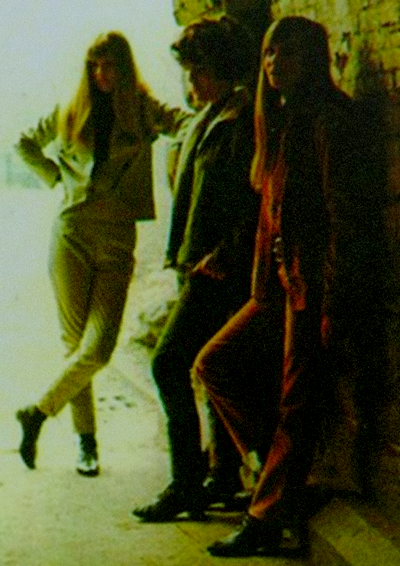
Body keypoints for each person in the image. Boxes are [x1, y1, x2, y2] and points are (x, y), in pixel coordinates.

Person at [192, 16, 390, 557]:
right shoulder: (280, 119)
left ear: (316, 60)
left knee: (298, 402)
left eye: (291, 53)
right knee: (215, 363)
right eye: (270, 53)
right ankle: (277, 481)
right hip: (280, 285)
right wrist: (255, 271)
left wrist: (331, 300)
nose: (276, 63)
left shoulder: (331, 120)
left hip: (316, 287)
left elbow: (347, 222)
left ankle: (264, 516)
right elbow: (272, 215)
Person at [15, 31, 186, 476]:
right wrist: (55, 177)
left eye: (109, 65)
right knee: (74, 345)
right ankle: (86, 444)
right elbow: (24, 143)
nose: (101, 74)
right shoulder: (72, 110)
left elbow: (185, 124)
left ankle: (37, 412)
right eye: (94, 65)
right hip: (70, 232)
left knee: (98, 348)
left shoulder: (144, 110)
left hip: (117, 236)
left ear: (125, 68)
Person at [131, 15, 260, 522]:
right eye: (187, 70)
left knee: (168, 363)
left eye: (199, 70)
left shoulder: (242, 121)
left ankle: (186, 482)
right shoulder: (210, 117)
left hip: (219, 269)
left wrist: (224, 254)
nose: (191, 81)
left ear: (224, 68)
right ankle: (222, 476)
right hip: (200, 264)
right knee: (209, 369)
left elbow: (256, 203)